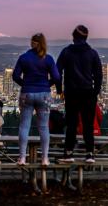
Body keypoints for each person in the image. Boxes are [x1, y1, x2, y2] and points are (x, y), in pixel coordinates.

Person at [56, 25, 102, 163]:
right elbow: (99, 75)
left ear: (74, 37)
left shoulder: (66, 52)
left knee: (71, 123)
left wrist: (59, 90)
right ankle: (90, 154)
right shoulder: (92, 53)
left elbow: (57, 72)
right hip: (88, 93)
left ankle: (69, 153)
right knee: (88, 124)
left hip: (71, 93)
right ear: (86, 37)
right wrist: (95, 92)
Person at [12, 33, 60, 166]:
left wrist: (25, 85)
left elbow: (15, 76)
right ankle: (44, 158)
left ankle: (22, 158)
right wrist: (46, 85)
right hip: (44, 94)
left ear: (32, 43)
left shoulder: (24, 58)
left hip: (27, 93)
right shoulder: (48, 59)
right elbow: (56, 77)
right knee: (44, 127)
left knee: (24, 125)